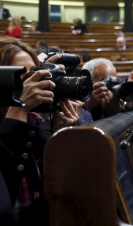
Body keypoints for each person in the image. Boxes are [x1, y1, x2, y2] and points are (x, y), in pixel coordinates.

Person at [0, 37, 79, 225]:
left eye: (34, 74)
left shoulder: (36, 123)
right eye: (22, 75)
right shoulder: (19, 122)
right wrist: (18, 110)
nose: (32, 83)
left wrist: (60, 138)